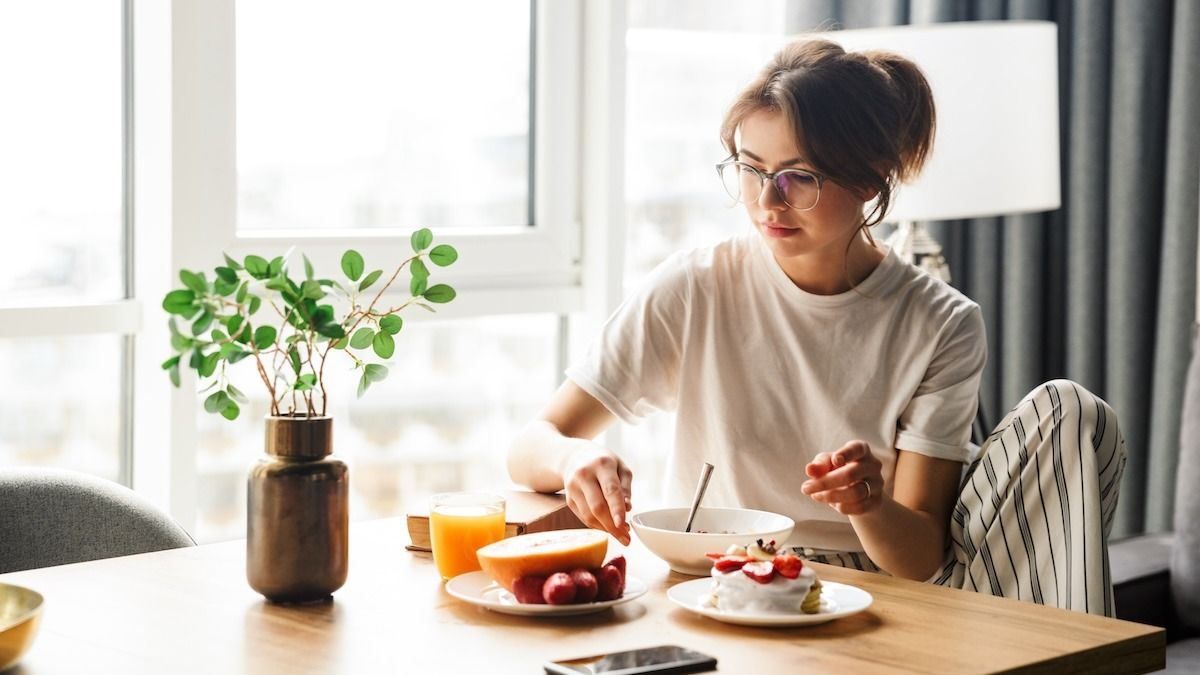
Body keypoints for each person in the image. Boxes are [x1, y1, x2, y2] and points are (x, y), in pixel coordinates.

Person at [507, 38, 1126, 617]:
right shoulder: (696, 286)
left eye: (799, 177)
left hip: (872, 593)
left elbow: (916, 561)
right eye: (750, 169)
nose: (767, 202)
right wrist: (574, 457)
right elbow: (530, 446)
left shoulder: (943, 323)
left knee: (1072, 412)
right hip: (720, 579)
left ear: (870, 176)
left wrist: (869, 503)